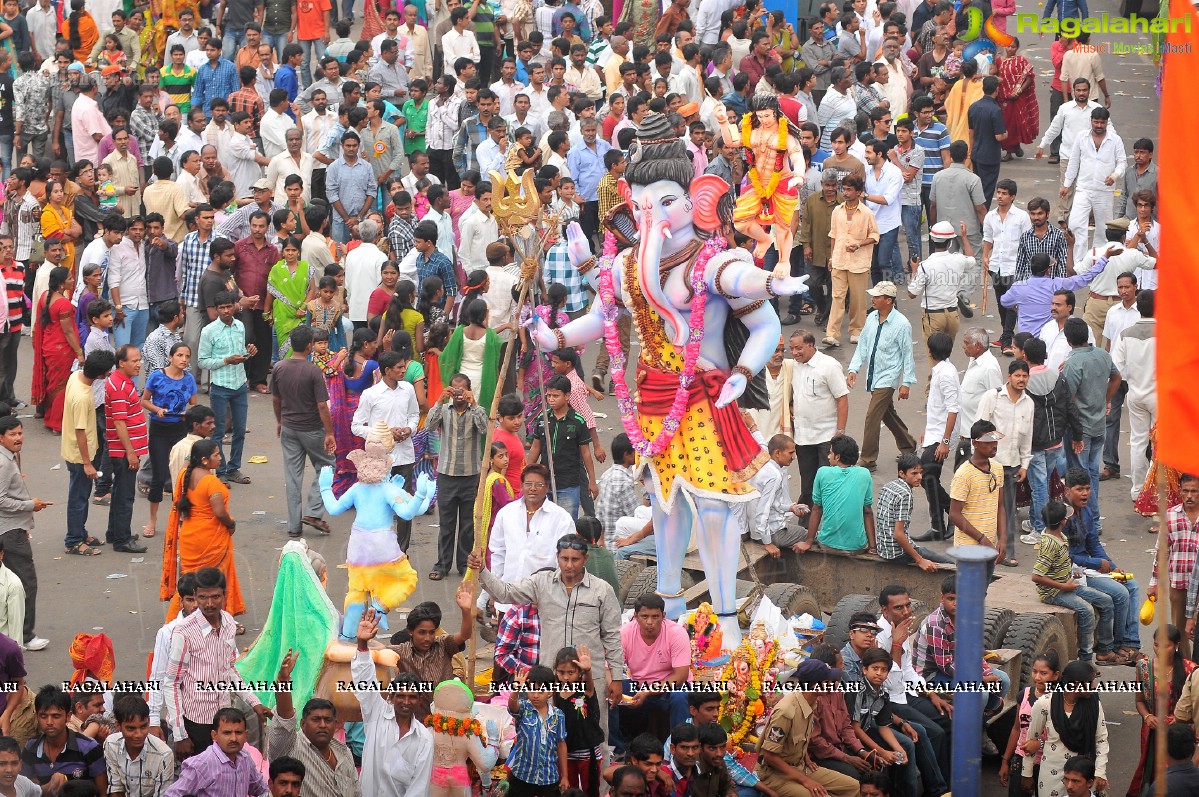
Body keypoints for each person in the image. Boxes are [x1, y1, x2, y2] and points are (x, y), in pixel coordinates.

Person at [469, 534, 625, 739]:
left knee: (594, 734)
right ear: (557, 557)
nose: (569, 565)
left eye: (575, 559)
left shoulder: (602, 590)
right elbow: (505, 593)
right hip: (552, 677)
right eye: (564, 559)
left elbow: (612, 637)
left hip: (589, 678)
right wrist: (482, 571)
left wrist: (616, 678)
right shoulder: (541, 583)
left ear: (585, 559)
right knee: (550, 734)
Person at [1062, 466, 1142, 663]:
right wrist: (1097, 563)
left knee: (1132, 585)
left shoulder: (1086, 511)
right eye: (1080, 489)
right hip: (1075, 573)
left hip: (1089, 567)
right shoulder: (1063, 517)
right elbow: (1067, 555)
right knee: (1120, 593)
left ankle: (1129, 643)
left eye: (1087, 488)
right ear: (1067, 490)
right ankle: (1110, 648)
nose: (1085, 493)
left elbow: (1093, 544)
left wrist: (1113, 566)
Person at [351, 610, 434, 797]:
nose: (406, 701)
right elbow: (365, 681)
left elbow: (418, 789)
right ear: (391, 697)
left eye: (412, 697)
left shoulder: (424, 740)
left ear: (420, 700)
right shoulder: (376, 714)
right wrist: (362, 644)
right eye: (401, 696)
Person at [755, 658, 860, 797]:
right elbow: (769, 756)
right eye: (827, 681)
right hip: (775, 774)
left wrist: (805, 758)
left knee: (852, 787)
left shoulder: (811, 702)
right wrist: (806, 781)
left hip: (799, 766)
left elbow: (799, 738)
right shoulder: (786, 711)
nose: (832, 684)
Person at [1031, 500, 1119, 664]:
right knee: (1087, 611)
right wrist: (1064, 586)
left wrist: (1074, 575)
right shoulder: (1049, 543)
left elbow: (1063, 562)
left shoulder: (1060, 536)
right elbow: (1036, 576)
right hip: (1054, 592)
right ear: (1063, 522)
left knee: (1107, 602)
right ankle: (1086, 658)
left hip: (1068, 583)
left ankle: (1105, 648)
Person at [271, 326, 337, 539]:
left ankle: (293, 526)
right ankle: (313, 512)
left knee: (292, 476)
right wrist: (329, 432)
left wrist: (280, 421)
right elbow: (322, 406)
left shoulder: (279, 367)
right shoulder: (312, 371)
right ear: (310, 346)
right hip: (312, 429)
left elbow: (276, 399)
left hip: (289, 427)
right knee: (328, 466)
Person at [846, 281, 916, 472]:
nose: (873, 299)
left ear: (889, 300)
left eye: (877, 297)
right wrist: (854, 369)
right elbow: (863, 346)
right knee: (887, 413)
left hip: (888, 377)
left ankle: (868, 459)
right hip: (873, 375)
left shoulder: (902, 324)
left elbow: (907, 355)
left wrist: (906, 383)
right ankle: (908, 445)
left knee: (872, 416)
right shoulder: (871, 318)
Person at [269, 652, 361, 797]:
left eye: (328, 720)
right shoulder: (292, 747)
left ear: (336, 724)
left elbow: (356, 792)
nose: (323, 725)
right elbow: (284, 720)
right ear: (303, 723)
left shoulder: (344, 752)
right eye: (316, 719)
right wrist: (283, 682)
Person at [426, 374, 488, 580]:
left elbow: (485, 429)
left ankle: (463, 565)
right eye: (455, 390)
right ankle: (442, 565)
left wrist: (475, 403)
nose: (459, 394)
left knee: (468, 525)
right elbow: (428, 425)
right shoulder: (444, 410)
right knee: (446, 523)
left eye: (462, 390)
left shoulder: (478, 411)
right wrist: (439, 400)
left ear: (469, 390)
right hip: (447, 475)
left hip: (471, 475)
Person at [975, 360, 1034, 567]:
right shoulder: (992, 397)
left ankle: (1007, 552)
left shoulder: (1029, 403)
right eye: (1017, 375)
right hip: (990, 464)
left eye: (1024, 376)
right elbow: (979, 428)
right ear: (1009, 377)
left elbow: (1027, 439)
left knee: (1007, 510)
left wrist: (1025, 465)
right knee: (984, 508)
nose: (1021, 379)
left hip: (1011, 466)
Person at [1022, 662, 1109, 797]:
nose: (1094, 687)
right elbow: (1031, 740)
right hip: (1051, 775)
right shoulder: (1045, 703)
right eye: (1090, 682)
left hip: (1080, 776)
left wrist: (1100, 772)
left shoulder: (1094, 705)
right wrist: (1027, 773)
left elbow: (1101, 740)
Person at [617, 594, 692, 742]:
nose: (649, 622)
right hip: (639, 686)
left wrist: (648, 691)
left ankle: (681, 745)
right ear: (635, 616)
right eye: (644, 616)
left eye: (655, 617)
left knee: (680, 696)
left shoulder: (676, 633)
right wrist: (613, 685)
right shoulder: (625, 633)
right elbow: (610, 667)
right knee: (611, 691)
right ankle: (618, 748)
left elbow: (681, 675)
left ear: (663, 616)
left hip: (671, 688)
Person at [198, 292, 255, 485]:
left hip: (239, 383)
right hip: (220, 386)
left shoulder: (240, 326)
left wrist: (249, 354)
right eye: (221, 308)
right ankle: (220, 470)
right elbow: (202, 361)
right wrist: (226, 360)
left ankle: (233, 468)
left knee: (239, 429)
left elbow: (241, 353)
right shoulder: (209, 331)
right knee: (218, 431)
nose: (225, 311)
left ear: (234, 306)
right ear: (216, 309)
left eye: (228, 307)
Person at [823, 174, 878, 347]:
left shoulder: (867, 213)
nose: (845, 193)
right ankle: (832, 334)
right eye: (844, 189)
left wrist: (859, 245)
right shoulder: (837, 211)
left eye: (849, 189)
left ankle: (856, 330)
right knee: (837, 297)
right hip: (839, 259)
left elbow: (875, 236)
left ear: (859, 192)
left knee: (857, 299)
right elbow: (833, 235)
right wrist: (831, 257)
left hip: (859, 262)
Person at [162, 708, 268, 797]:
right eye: (227, 733)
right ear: (214, 735)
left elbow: (260, 789)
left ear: (246, 735)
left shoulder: (245, 759)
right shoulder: (202, 764)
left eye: (238, 733)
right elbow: (172, 795)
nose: (233, 738)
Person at [795, 435, 874, 554]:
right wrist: (873, 547)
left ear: (837, 457)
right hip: (857, 547)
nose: (827, 456)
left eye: (830, 453)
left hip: (828, 545)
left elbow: (817, 509)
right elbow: (867, 511)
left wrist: (808, 542)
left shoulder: (823, 472)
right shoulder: (864, 474)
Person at [950, 419, 1007, 581]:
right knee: (968, 596)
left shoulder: (997, 468)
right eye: (988, 441)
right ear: (975, 443)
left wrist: (1002, 538)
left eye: (995, 440)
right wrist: (982, 539)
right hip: (969, 549)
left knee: (981, 593)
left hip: (990, 547)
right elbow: (954, 514)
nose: (994, 445)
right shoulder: (964, 474)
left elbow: (1000, 506)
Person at [19, 686, 106, 792]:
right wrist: (47, 787)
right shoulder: (31, 747)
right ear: (37, 716)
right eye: (43, 716)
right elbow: (22, 788)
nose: (49, 722)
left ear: (68, 716)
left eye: (56, 716)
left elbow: (103, 792)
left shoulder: (89, 748)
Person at [874, 456, 952, 569]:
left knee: (924, 551)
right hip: (897, 553)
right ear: (902, 473)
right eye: (914, 474)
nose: (919, 477)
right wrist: (920, 560)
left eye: (921, 473)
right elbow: (898, 534)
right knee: (949, 563)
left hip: (883, 548)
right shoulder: (905, 494)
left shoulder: (888, 486)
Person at [907, 221, 973, 344]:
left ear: (932, 240)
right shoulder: (958, 259)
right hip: (953, 316)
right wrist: (964, 237)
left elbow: (912, 293)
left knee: (934, 357)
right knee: (946, 355)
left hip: (933, 316)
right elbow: (971, 258)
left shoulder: (925, 266)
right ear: (950, 242)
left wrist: (914, 270)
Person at [103, 696, 175, 797]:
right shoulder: (111, 744)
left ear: (149, 722)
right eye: (131, 728)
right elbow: (116, 788)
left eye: (143, 726)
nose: (138, 734)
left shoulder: (164, 755)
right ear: (118, 726)